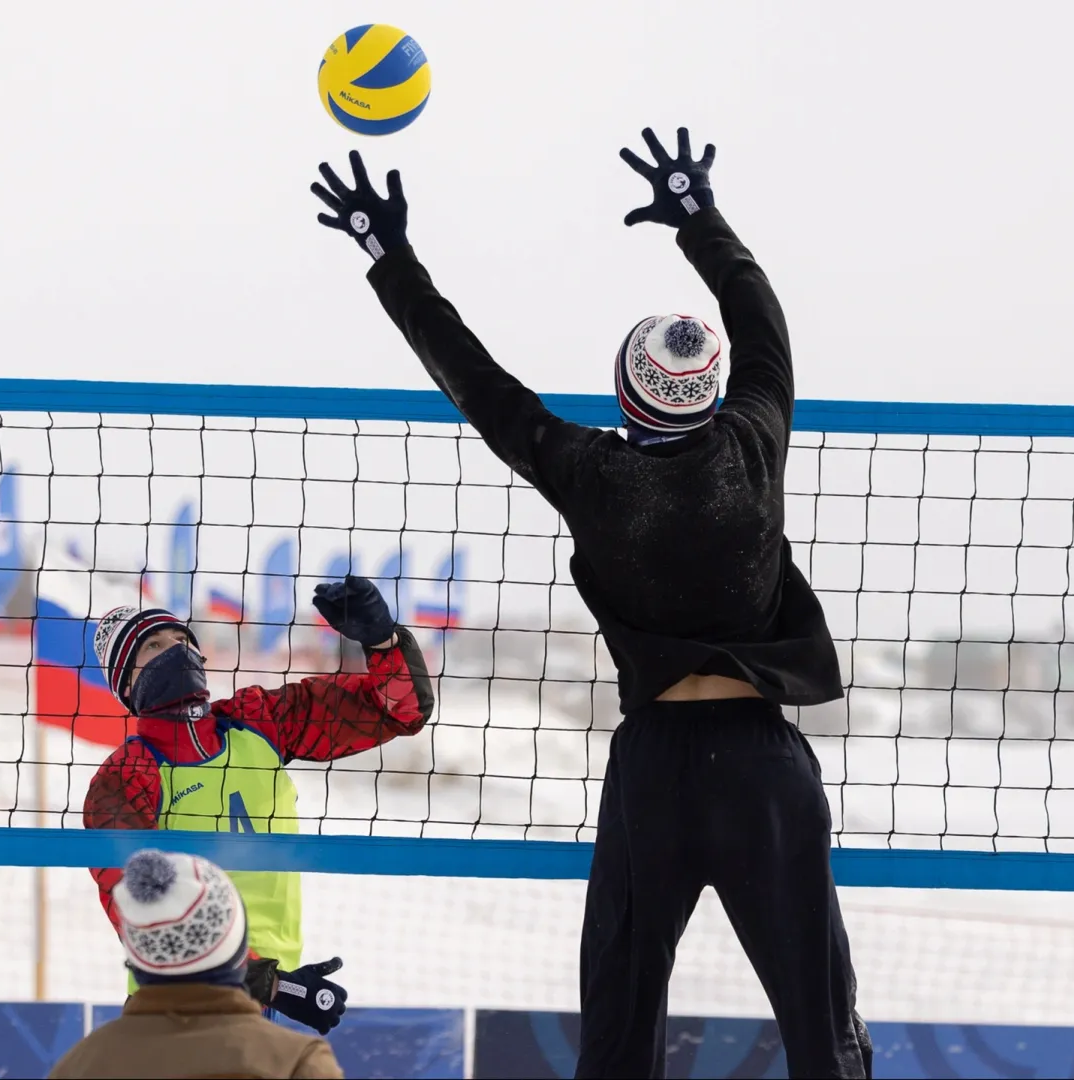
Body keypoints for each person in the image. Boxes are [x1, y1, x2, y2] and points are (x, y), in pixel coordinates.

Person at [309, 129, 873, 1078]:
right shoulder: (753, 443)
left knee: (619, 1029)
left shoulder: (592, 472)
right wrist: (698, 214)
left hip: (655, 768)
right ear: (714, 394)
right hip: (759, 766)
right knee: (823, 1028)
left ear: (625, 394)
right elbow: (763, 316)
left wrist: (388, 254)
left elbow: (475, 381)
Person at [81, 576, 435, 1035]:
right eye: (154, 646)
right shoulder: (125, 777)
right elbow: (142, 911)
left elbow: (398, 712)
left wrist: (383, 641)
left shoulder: (260, 721)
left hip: (270, 996)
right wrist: (271, 985)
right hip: (177, 1004)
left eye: (182, 639)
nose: (176, 650)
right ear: (126, 682)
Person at [50, 849, 345, 1079]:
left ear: (138, 956)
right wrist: (274, 984)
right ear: (238, 945)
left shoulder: (81, 1066)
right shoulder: (297, 1063)